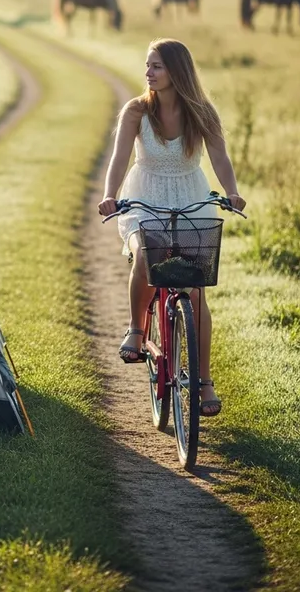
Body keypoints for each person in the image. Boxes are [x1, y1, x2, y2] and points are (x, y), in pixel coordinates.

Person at [97, 38, 246, 417]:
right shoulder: (136, 111)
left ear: (177, 71)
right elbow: (119, 158)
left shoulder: (202, 113)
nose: (148, 72)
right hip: (145, 196)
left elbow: (220, 157)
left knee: (195, 292)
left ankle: (204, 381)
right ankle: (136, 328)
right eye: (148, 65)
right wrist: (110, 195)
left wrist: (232, 192)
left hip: (190, 196)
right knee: (145, 257)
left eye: (157, 66)